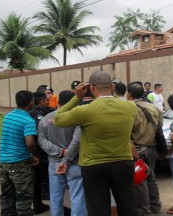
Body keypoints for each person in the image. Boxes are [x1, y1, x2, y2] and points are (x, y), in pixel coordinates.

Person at [54, 71, 139, 216]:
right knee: (128, 205)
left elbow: (58, 119)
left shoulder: (85, 110)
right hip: (122, 162)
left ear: (91, 87)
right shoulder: (130, 107)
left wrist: (77, 96)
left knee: (98, 208)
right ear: (111, 86)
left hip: (94, 165)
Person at [38, 90, 87, 216]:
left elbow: (42, 141)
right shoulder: (77, 118)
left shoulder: (45, 119)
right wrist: (66, 153)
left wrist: (59, 152)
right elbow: (77, 141)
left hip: (54, 162)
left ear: (58, 101)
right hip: (75, 162)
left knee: (55, 197)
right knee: (78, 198)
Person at [0, 90, 40, 215]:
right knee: (23, 198)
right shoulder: (27, 120)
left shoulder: (7, 116)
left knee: (6, 196)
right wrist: (35, 155)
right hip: (20, 163)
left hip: (3, 163)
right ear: (30, 102)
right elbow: (30, 143)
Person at [127, 82, 162, 215]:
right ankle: (155, 207)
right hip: (153, 148)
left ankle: (144, 211)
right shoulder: (155, 108)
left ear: (129, 95)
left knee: (139, 181)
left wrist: (134, 153)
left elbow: (128, 132)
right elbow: (159, 128)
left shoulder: (131, 109)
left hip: (137, 149)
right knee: (151, 178)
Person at [29, 91, 52, 214]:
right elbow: (40, 132)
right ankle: (37, 205)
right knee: (39, 179)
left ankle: (37, 204)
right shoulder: (39, 114)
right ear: (42, 101)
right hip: (39, 152)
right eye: (46, 101)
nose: (47, 102)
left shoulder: (29, 112)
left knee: (35, 180)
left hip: (32, 151)